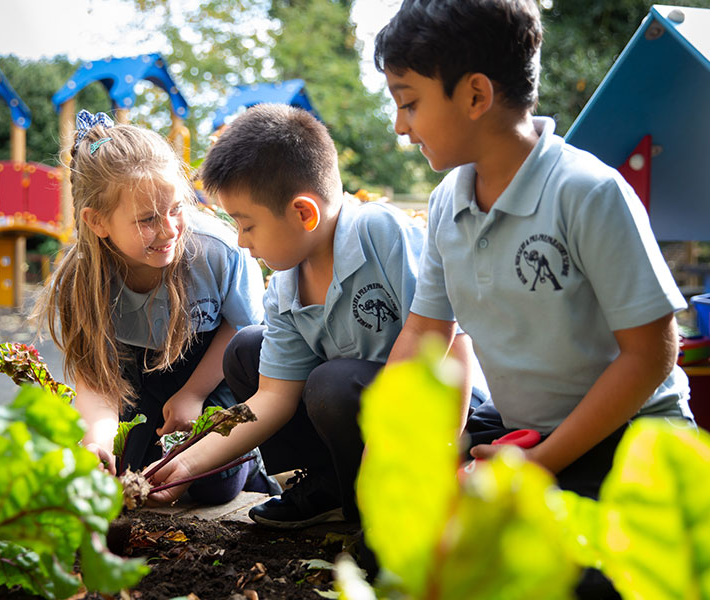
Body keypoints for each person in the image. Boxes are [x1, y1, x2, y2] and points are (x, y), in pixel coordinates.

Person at [376, 0, 695, 507]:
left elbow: (651, 353)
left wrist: (537, 466)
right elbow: (425, 332)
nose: (400, 126)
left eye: (410, 102)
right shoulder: (445, 203)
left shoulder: (587, 192)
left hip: (632, 435)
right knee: (393, 547)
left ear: (476, 94)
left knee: (571, 577)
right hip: (525, 430)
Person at [147, 103, 488, 528]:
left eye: (247, 225)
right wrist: (188, 462)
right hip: (355, 415)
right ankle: (332, 486)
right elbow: (271, 399)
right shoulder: (286, 284)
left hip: (442, 415)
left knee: (331, 381)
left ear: (303, 213)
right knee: (247, 349)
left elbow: (451, 341)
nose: (240, 241)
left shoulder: (381, 233)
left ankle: (375, 508)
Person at [36, 110, 278, 504]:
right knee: (132, 477)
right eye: (147, 219)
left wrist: (193, 395)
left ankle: (255, 470)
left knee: (213, 483)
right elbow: (97, 377)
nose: (168, 230)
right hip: (136, 378)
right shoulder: (80, 280)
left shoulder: (216, 251)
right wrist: (98, 434)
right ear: (97, 221)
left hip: (215, 372)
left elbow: (241, 331)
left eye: (177, 208)